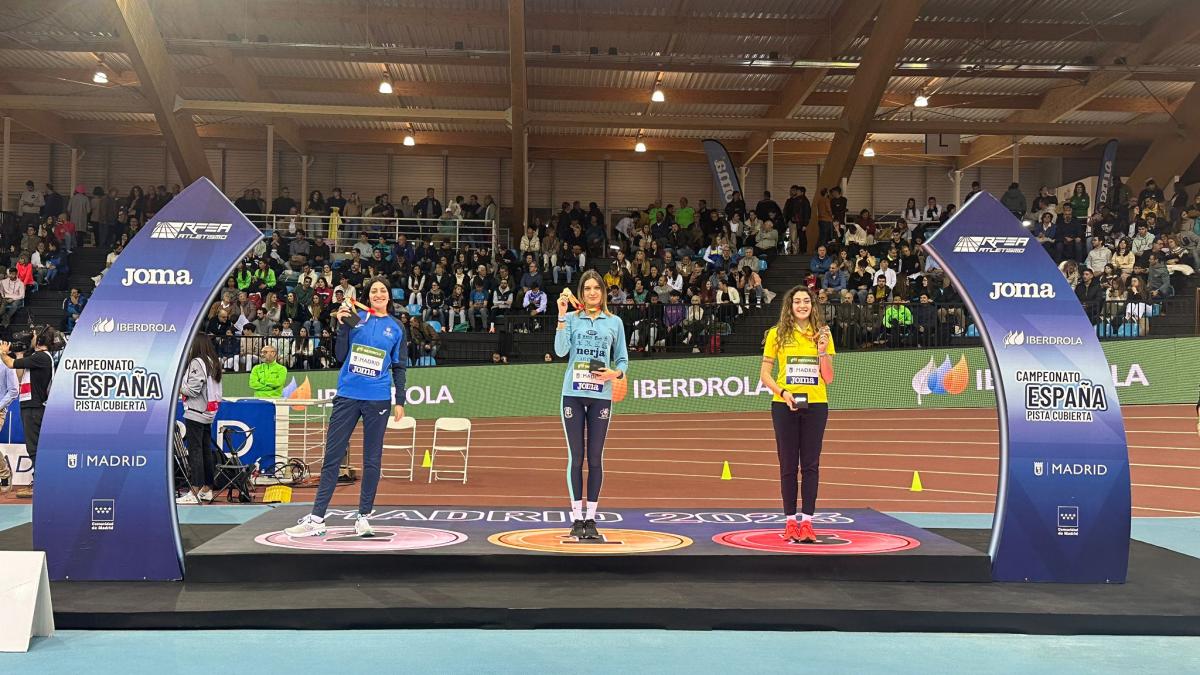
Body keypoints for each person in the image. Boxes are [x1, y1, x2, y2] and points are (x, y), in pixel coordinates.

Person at [286, 278, 409, 538]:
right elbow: (341, 355)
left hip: (377, 399)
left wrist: (400, 400)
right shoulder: (356, 318)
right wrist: (341, 326)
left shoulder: (396, 327)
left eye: (383, 290)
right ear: (368, 295)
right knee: (332, 457)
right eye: (374, 290)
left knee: (372, 460)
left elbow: (399, 366)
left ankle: (364, 516)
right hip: (347, 395)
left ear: (389, 297)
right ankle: (317, 518)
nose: (378, 294)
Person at [553, 270, 629, 541]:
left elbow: (622, 360)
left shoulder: (615, 322)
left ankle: (592, 518)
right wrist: (562, 315)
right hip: (572, 393)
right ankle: (576, 519)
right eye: (587, 288)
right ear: (581, 292)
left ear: (603, 292)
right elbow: (561, 350)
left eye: (597, 287)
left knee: (595, 458)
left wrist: (613, 374)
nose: (592, 292)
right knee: (576, 457)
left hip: (601, 396)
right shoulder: (572, 319)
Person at [758, 286, 834, 543]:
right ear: (789, 306)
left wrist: (822, 351)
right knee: (788, 465)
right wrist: (784, 393)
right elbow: (765, 374)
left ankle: (808, 522)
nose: (802, 305)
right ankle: (791, 521)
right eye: (797, 301)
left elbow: (829, 378)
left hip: (816, 404)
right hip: (784, 405)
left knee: (811, 465)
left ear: (813, 305)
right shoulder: (776, 334)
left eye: (806, 301)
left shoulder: (823, 333)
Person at [0, 326, 58, 499]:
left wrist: (4, 352)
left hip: (35, 407)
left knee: (34, 448)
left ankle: (39, 483)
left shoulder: (41, 357)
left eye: (33, 336)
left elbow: (9, 364)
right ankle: (38, 481)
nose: (31, 338)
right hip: (30, 405)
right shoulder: (35, 358)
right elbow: (18, 375)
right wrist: (19, 354)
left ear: (39, 340)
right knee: (33, 447)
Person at [178, 334, 222, 504]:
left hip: (196, 410)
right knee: (205, 450)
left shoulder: (197, 362)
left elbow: (194, 389)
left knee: (196, 451)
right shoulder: (213, 361)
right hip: (208, 411)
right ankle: (207, 489)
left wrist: (178, 386)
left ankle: (194, 490)